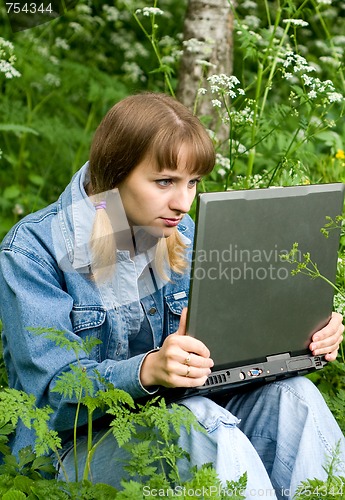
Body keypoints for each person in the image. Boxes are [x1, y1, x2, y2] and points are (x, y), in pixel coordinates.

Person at [0, 92, 344, 499]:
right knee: (194, 422)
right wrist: (147, 370)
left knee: (295, 399)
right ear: (115, 174)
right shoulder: (31, 252)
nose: (183, 202)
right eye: (165, 181)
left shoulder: (182, 234)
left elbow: (222, 361)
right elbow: (50, 396)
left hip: (183, 419)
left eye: (193, 182)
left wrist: (300, 340)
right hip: (70, 453)